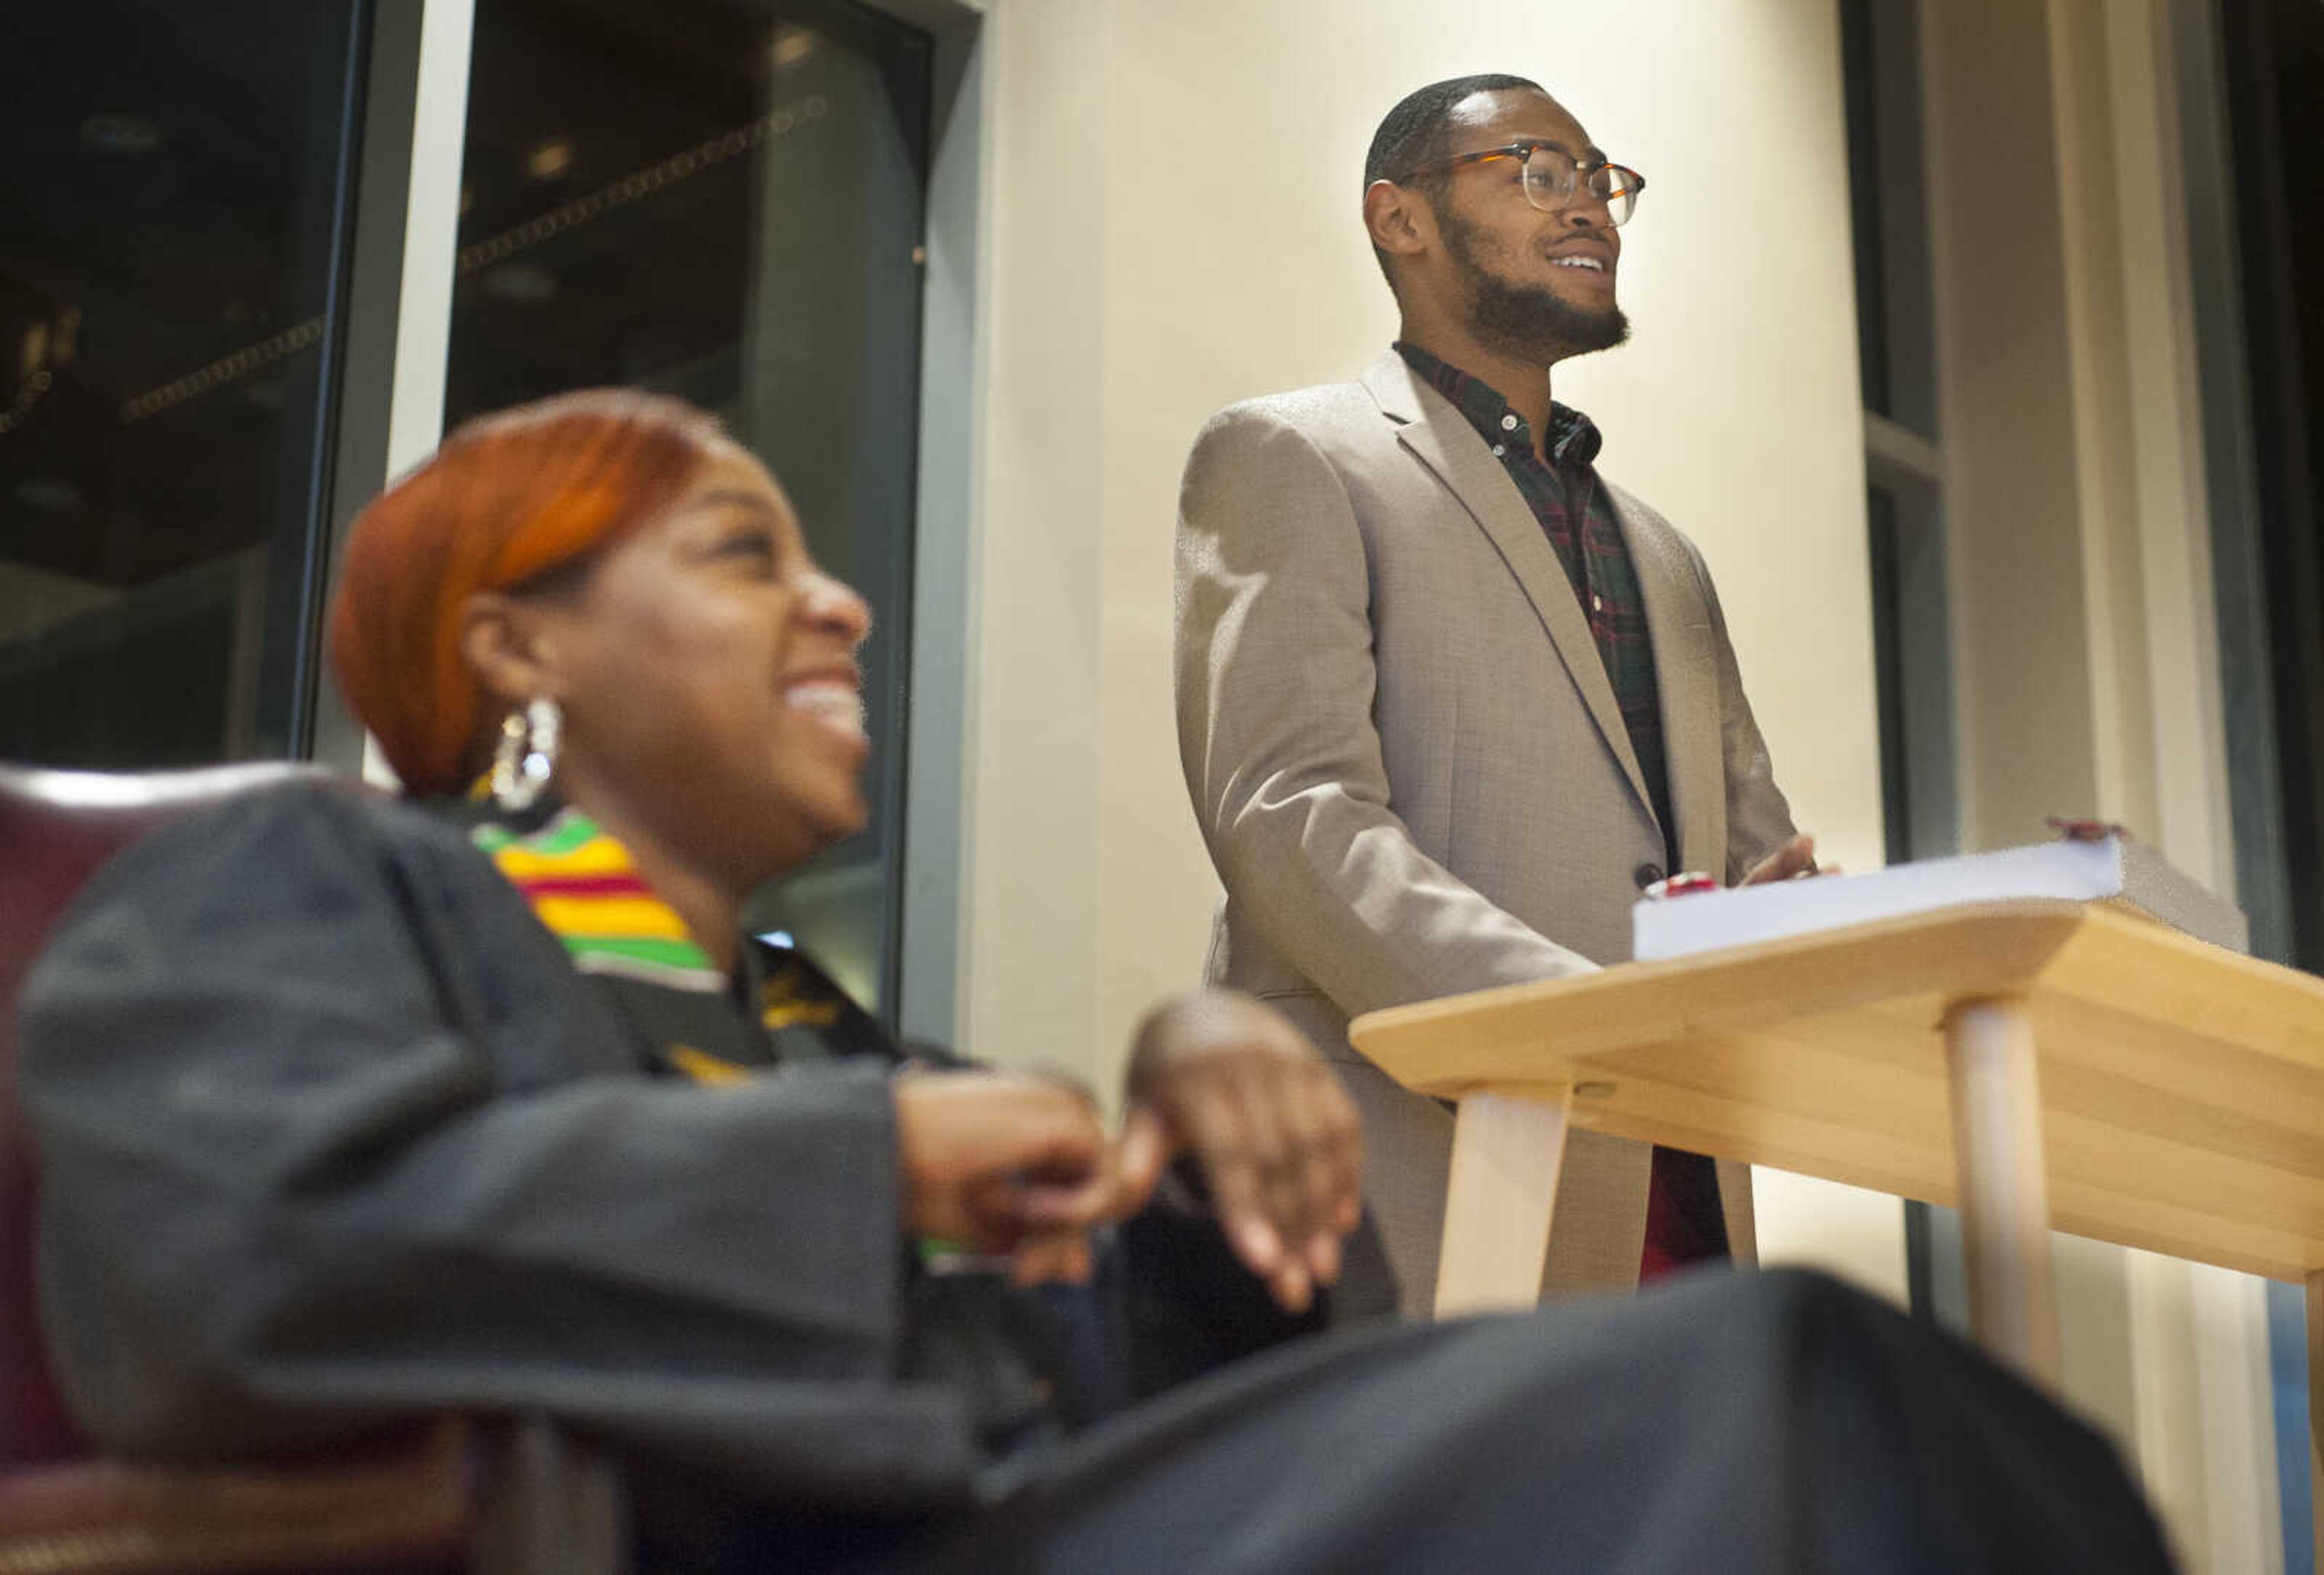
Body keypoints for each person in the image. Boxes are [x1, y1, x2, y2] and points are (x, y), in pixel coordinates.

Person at [22, 392, 2170, 1572]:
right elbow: (223, 1265)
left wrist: (1219, 1139)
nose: (842, 599)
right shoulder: (315, 878)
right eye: (746, 552)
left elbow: (1172, 1401)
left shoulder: (802, 1023)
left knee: (1849, 1400)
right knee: (1774, 1387)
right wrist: (865, 1164)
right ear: (512, 648)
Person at [1176, 74, 1820, 1315]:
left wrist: (1780, 929)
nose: (1590, 205)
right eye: (1537, 168)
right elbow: (1289, 813)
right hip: (1409, 1174)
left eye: (1602, 180)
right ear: (1398, 217)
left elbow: (1747, 858)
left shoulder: (1666, 552)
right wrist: (1574, 1019)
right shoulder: (1292, 454)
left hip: (1680, 1193)